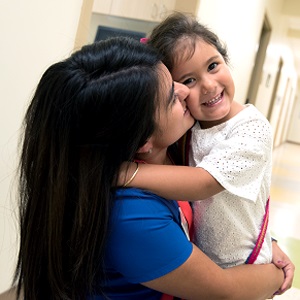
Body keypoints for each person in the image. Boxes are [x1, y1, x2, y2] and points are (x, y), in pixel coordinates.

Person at [12, 36, 286, 300]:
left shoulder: (177, 146)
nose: (185, 90)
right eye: (172, 96)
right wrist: (277, 277)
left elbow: (225, 206)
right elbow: (225, 291)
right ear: (143, 141)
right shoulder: (131, 215)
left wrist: (266, 242)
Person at [123, 12, 295, 294]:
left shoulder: (251, 128)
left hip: (244, 266)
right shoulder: (189, 125)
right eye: (189, 80)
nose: (209, 85)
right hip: (201, 260)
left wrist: (129, 173)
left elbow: (203, 183)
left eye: (214, 66)